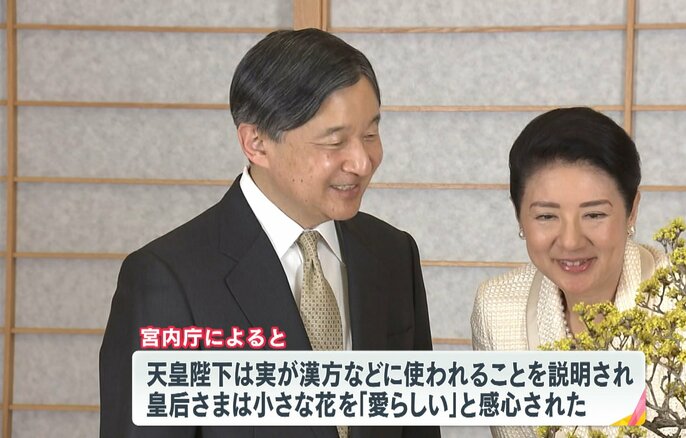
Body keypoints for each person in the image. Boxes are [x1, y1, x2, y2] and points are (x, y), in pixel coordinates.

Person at [100, 28, 440, 438]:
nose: (362, 162)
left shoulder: (393, 254)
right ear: (256, 142)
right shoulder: (167, 279)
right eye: (334, 142)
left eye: (370, 134)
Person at [470, 107, 686, 437]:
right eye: (546, 216)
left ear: (631, 210)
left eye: (594, 215)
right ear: (519, 216)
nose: (570, 241)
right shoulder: (496, 309)